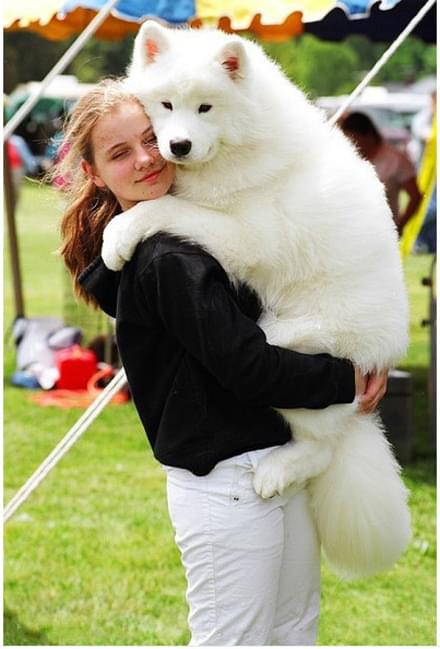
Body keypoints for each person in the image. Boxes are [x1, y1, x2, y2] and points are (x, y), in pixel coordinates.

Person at [58, 79, 388, 646]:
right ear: (93, 173)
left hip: (273, 455)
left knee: (292, 633)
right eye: (119, 153)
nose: (145, 159)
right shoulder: (166, 256)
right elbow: (247, 365)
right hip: (226, 481)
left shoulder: (186, 223)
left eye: (149, 138)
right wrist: (345, 381)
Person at [340, 111, 422, 236]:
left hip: (382, 231)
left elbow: (415, 196)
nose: (351, 144)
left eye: (354, 139)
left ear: (368, 135)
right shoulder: (345, 158)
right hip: (349, 229)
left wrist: (400, 225)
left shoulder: (396, 159)